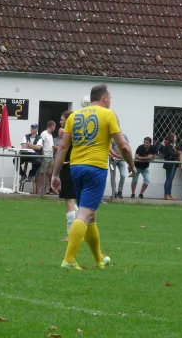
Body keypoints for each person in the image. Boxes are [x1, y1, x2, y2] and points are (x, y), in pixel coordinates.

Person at [52, 84, 135, 270]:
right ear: (104, 97)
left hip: (76, 168)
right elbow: (123, 146)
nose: (111, 101)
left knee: (91, 216)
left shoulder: (74, 116)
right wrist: (131, 165)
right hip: (95, 168)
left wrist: (55, 174)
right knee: (85, 213)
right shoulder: (108, 114)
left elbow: (63, 147)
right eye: (110, 97)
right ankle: (69, 259)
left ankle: (99, 259)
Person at [57, 110, 78, 242]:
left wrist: (65, 160)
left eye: (62, 119)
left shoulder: (69, 134)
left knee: (69, 200)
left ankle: (71, 235)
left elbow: (65, 148)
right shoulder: (76, 133)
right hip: (75, 168)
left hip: (69, 168)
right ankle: (82, 227)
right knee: (73, 201)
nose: (60, 122)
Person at [109, 133, 129, 199]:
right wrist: (114, 156)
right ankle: (113, 193)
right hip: (112, 160)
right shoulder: (111, 137)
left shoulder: (124, 136)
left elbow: (127, 147)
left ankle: (120, 191)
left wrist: (125, 157)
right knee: (112, 177)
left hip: (121, 160)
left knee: (123, 175)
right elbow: (109, 149)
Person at [39, 121, 56, 195]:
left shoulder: (51, 135)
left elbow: (51, 146)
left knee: (48, 173)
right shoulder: (44, 133)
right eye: (54, 126)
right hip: (45, 156)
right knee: (42, 173)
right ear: (52, 126)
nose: (55, 128)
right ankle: (40, 189)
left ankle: (46, 189)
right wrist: (43, 155)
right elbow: (41, 144)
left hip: (51, 156)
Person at [162, 132, 180, 200]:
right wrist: (178, 153)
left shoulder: (173, 145)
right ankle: (166, 195)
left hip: (173, 164)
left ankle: (169, 194)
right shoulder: (169, 145)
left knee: (170, 180)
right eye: (175, 137)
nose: (176, 138)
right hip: (169, 164)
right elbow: (172, 154)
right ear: (172, 138)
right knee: (168, 179)